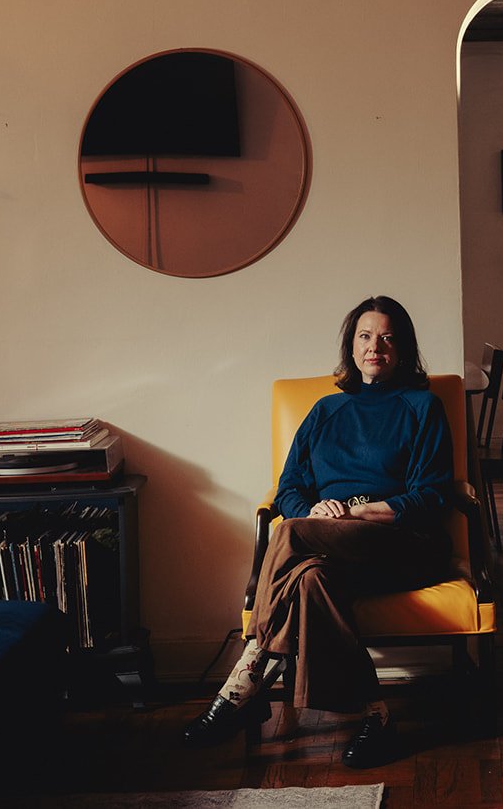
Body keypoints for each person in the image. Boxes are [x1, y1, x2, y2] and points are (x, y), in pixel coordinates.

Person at [182, 295, 455, 767]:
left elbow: (432, 496)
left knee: (290, 536)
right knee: (310, 580)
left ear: (404, 348)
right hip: (327, 546)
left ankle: (245, 678)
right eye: (365, 336)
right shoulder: (325, 410)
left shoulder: (422, 406)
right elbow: (288, 489)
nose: (376, 347)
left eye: (388, 337)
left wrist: (359, 511)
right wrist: (313, 509)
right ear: (351, 346)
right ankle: (378, 718)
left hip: (403, 545)